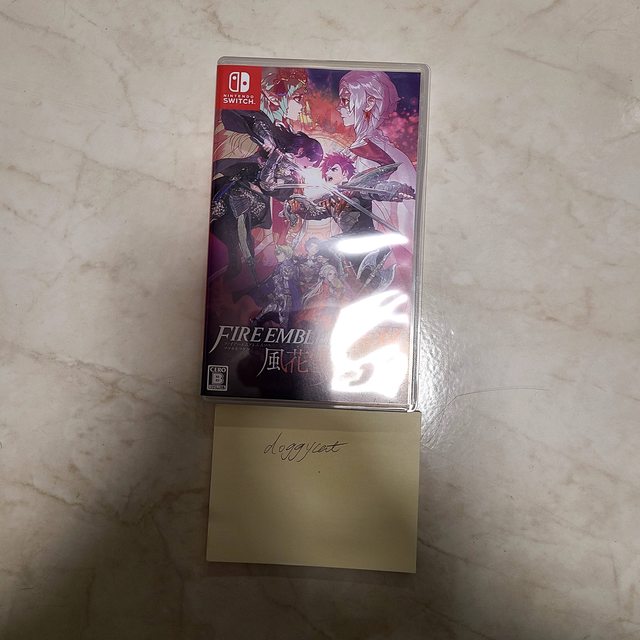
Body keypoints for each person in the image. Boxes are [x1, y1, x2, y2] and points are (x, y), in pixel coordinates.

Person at [337, 70, 416, 241]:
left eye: (345, 100)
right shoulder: (354, 152)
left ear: (369, 102)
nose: (339, 107)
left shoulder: (378, 154)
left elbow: (395, 217)